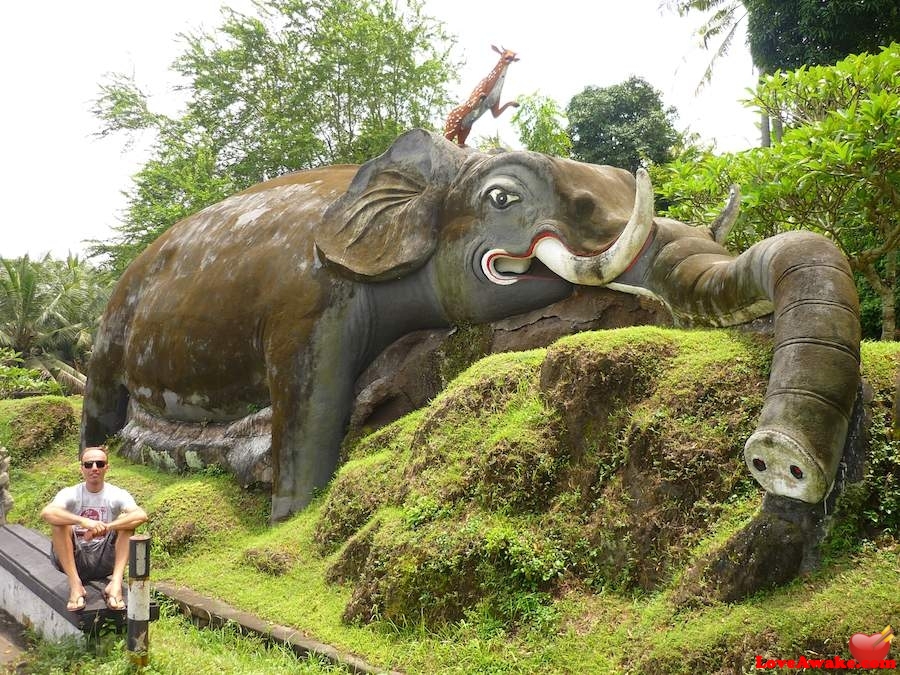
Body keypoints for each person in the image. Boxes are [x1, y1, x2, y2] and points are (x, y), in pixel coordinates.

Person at [40, 446, 148, 612]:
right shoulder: (71, 493)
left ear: (107, 467)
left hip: (105, 558)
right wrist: (84, 522)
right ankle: (76, 585)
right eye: (89, 464)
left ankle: (115, 584)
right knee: (60, 524)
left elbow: (141, 515)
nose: (94, 468)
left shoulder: (116, 494)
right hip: (75, 559)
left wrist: (107, 527)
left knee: (126, 524)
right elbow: (47, 513)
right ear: (81, 468)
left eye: (100, 463)